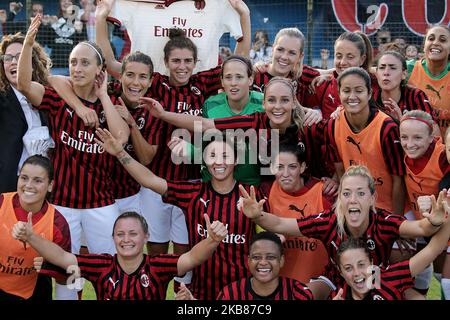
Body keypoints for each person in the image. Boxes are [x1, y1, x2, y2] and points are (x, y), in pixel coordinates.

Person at [17, 14, 129, 299]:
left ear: (99, 69)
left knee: (113, 272)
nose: (77, 68)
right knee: (68, 277)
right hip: (64, 205)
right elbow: (26, 84)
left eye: (85, 63)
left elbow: (121, 138)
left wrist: (103, 94)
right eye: (73, 62)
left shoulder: (111, 102)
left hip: (101, 204)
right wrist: (29, 44)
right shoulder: (57, 98)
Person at [95, 129, 268, 300]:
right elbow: (149, 180)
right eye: (212, 155)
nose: (219, 162)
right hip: (200, 292)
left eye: (225, 156)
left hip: (242, 292)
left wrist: (258, 217)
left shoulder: (250, 196)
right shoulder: (192, 193)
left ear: (236, 160)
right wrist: (119, 153)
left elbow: (275, 229)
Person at [238, 164, 447, 299]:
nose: (353, 199)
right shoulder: (329, 221)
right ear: (340, 198)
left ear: (372, 199)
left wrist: (437, 221)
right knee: (305, 296)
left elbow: (422, 227)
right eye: (346, 193)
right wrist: (257, 215)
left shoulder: (383, 221)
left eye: (360, 193)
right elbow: (282, 225)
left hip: (375, 278)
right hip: (336, 279)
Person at [139, 76, 334, 183]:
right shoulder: (255, 121)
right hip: (269, 192)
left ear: (293, 102)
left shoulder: (310, 126)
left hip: (310, 191)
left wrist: (334, 179)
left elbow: (341, 137)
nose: (277, 106)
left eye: (284, 100)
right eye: (272, 100)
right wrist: (163, 114)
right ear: (263, 104)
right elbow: (205, 124)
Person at [12, 211, 228, 300]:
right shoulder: (101, 265)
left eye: (133, 234)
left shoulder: (158, 265)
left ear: (146, 237)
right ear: (113, 237)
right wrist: (31, 237)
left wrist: (211, 240)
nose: (126, 239)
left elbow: (191, 258)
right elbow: (61, 257)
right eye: (120, 234)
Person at [171, 54, 265, 185]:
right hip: (214, 185)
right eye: (228, 77)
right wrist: (189, 150)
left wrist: (304, 111)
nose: (233, 83)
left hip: (252, 184)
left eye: (239, 77)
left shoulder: (264, 103)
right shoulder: (211, 105)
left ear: (250, 79)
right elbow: (206, 149)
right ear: (221, 81)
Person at [326, 67, 405, 215]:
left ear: (369, 94)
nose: (352, 96)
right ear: (339, 93)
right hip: (355, 209)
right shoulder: (333, 125)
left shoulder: (387, 127)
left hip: (386, 209)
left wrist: (396, 221)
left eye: (359, 90)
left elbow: (398, 180)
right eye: (346, 90)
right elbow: (342, 172)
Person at [332, 211, 450, 300]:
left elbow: (433, 249)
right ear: (341, 272)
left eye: (361, 264)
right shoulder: (338, 295)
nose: (357, 272)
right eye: (348, 268)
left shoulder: (389, 279)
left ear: (372, 264)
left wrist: (447, 214)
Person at [107, 0, 248, 74]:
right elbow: (110, 63)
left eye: (188, 61)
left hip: (200, 100)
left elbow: (240, 62)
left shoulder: (218, 5)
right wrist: (101, 17)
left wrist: (245, 14)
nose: (182, 67)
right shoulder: (136, 3)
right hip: (149, 93)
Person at [0, 155, 71, 300]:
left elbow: (66, 276)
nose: (29, 185)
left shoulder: (57, 224)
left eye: (38, 180)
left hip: (33, 291)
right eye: (24, 178)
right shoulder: (1, 203)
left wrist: (49, 267)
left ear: (50, 185)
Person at [266, 143, 334, 283]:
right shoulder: (266, 192)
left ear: (302, 167)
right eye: (279, 167)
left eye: (292, 167)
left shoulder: (324, 194)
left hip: (317, 284)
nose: (285, 174)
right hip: (281, 284)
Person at [400, 110, 450, 295]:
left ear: (432, 137)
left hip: (442, 221)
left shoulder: (442, 156)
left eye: (417, 138)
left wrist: (439, 200)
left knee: (443, 278)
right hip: (417, 219)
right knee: (411, 268)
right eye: (404, 137)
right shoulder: (400, 151)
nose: (410, 144)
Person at [0, 32, 52, 194]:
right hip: (9, 186)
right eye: (8, 58)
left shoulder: (48, 94)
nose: (14, 62)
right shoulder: (2, 98)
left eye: (20, 56)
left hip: (45, 186)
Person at [252, 27, 322, 126]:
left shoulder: (301, 75)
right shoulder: (256, 74)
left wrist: (316, 113)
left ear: (300, 57)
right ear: (273, 49)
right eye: (280, 49)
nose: (284, 57)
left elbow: (338, 72)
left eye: (292, 53)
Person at [308, 31, 376, 120]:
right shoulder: (323, 85)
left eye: (350, 57)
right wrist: (313, 113)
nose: (343, 62)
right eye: (339, 56)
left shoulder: (376, 84)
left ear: (362, 59)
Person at [407, 25, 450, 137]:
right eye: (431, 39)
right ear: (424, 46)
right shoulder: (408, 69)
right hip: (414, 148)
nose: (435, 43)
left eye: (443, 40)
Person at [374, 50, 435, 123]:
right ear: (376, 73)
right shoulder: (370, 98)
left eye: (393, 68)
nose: (386, 72)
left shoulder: (416, 96)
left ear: (404, 74)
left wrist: (401, 120)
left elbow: (433, 130)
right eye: (382, 68)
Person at [46, 0, 87, 75]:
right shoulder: (55, 20)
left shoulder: (78, 22)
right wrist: (48, 26)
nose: (66, 2)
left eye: (69, 1)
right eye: (63, 0)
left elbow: (84, 43)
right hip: (55, 63)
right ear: (60, 3)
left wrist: (80, 32)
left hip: (72, 64)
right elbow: (49, 44)